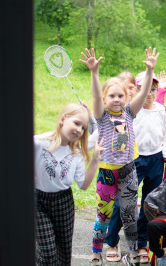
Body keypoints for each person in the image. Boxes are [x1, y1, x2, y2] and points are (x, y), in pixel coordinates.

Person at [80, 47, 159, 265]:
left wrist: (150, 70)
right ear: (105, 99)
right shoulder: (101, 115)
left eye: (121, 95)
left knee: (129, 213)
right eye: (112, 96)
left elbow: (143, 94)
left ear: (127, 97)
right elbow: (96, 94)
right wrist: (94, 73)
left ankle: (133, 249)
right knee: (103, 215)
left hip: (128, 171)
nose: (116, 99)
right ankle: (97, 249)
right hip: (107, 172)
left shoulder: (129, 113)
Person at [34, 103, 104, 265]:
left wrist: (94, 160)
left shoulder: (76, 154)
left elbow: (84, 185)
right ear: (62, 119)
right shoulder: (39, 143)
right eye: (76, 123)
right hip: (38, 202)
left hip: (63, 202)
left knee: (64, 254)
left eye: (83, 127)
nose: (79, 129)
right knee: (48, 253)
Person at [132, 70, 166, 263]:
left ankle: (142, 241)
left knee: (149, 202)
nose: (149, 93)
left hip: (155, 159)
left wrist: (165, 151)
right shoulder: (131, 109)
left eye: (153, 89)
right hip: (135, 159)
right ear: (137, 90)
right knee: (124, 201)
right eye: (145, 89)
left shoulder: (160, 110)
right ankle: (113, 239)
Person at [103, 71, 140, 262]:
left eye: (131, 87)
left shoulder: (135, 108)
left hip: (135, 160)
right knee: (117, 206)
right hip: (113, 164)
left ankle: (135, 245)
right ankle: (112, 241)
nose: (128, 91)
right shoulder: (112, 111)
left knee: (130, 207)